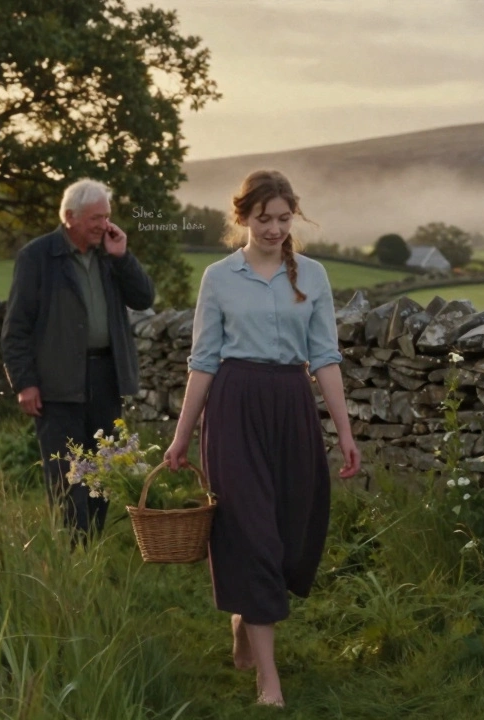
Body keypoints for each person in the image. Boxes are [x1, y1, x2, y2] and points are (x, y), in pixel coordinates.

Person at [162, 170, 360, 707]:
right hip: (234, 406)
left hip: (291, 405)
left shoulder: (313, 276)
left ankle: (244, 615)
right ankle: (268, 679)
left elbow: (324, 357)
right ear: (242, 218)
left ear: (294, 214)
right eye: (262, 218)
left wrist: (344, 432)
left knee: (290, 529)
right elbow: (203, 362)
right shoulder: (219, 277)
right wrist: (181, 437)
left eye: (283, 217)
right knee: (250, 532)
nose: (274, 229)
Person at [1, 179, 155, 537]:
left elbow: (144, 298)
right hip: (57, 383)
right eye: (95, 218)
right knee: (67, 472)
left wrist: (124, 257)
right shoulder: (37, 257)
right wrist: (25, 382)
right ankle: (73, 553)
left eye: (107, 217)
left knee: (103, 469)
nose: (103, 224)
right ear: (70, 217)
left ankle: (94, 547)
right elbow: (16, 327)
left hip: (107, 376)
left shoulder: (110, 255)